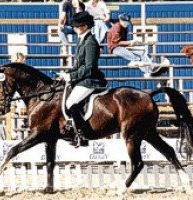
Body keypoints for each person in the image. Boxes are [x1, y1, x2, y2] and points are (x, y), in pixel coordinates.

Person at [57, 11, 107, 147]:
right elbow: (78, 64)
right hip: (82, 78)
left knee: (70, 103)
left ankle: (81, 134)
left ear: (85, 26)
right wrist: (67, 73)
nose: (74, 28)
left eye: (77, 26)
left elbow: (89, 67)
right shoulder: (81, 39)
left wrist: (72, 76)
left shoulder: (90, 42)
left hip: (89, 80)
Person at [107, 13, 170, 78]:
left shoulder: (124, 27)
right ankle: (135, 62)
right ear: (121, 20)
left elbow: (123, 41)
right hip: (115, 48)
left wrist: (135, 43)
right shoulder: (117, 27)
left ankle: (150, 69)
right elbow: (117, 42)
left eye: (128, 22)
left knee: (142, 51)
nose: (127, 24)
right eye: (126, 22)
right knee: (136, 57)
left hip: (122, 46)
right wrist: (130, 42)